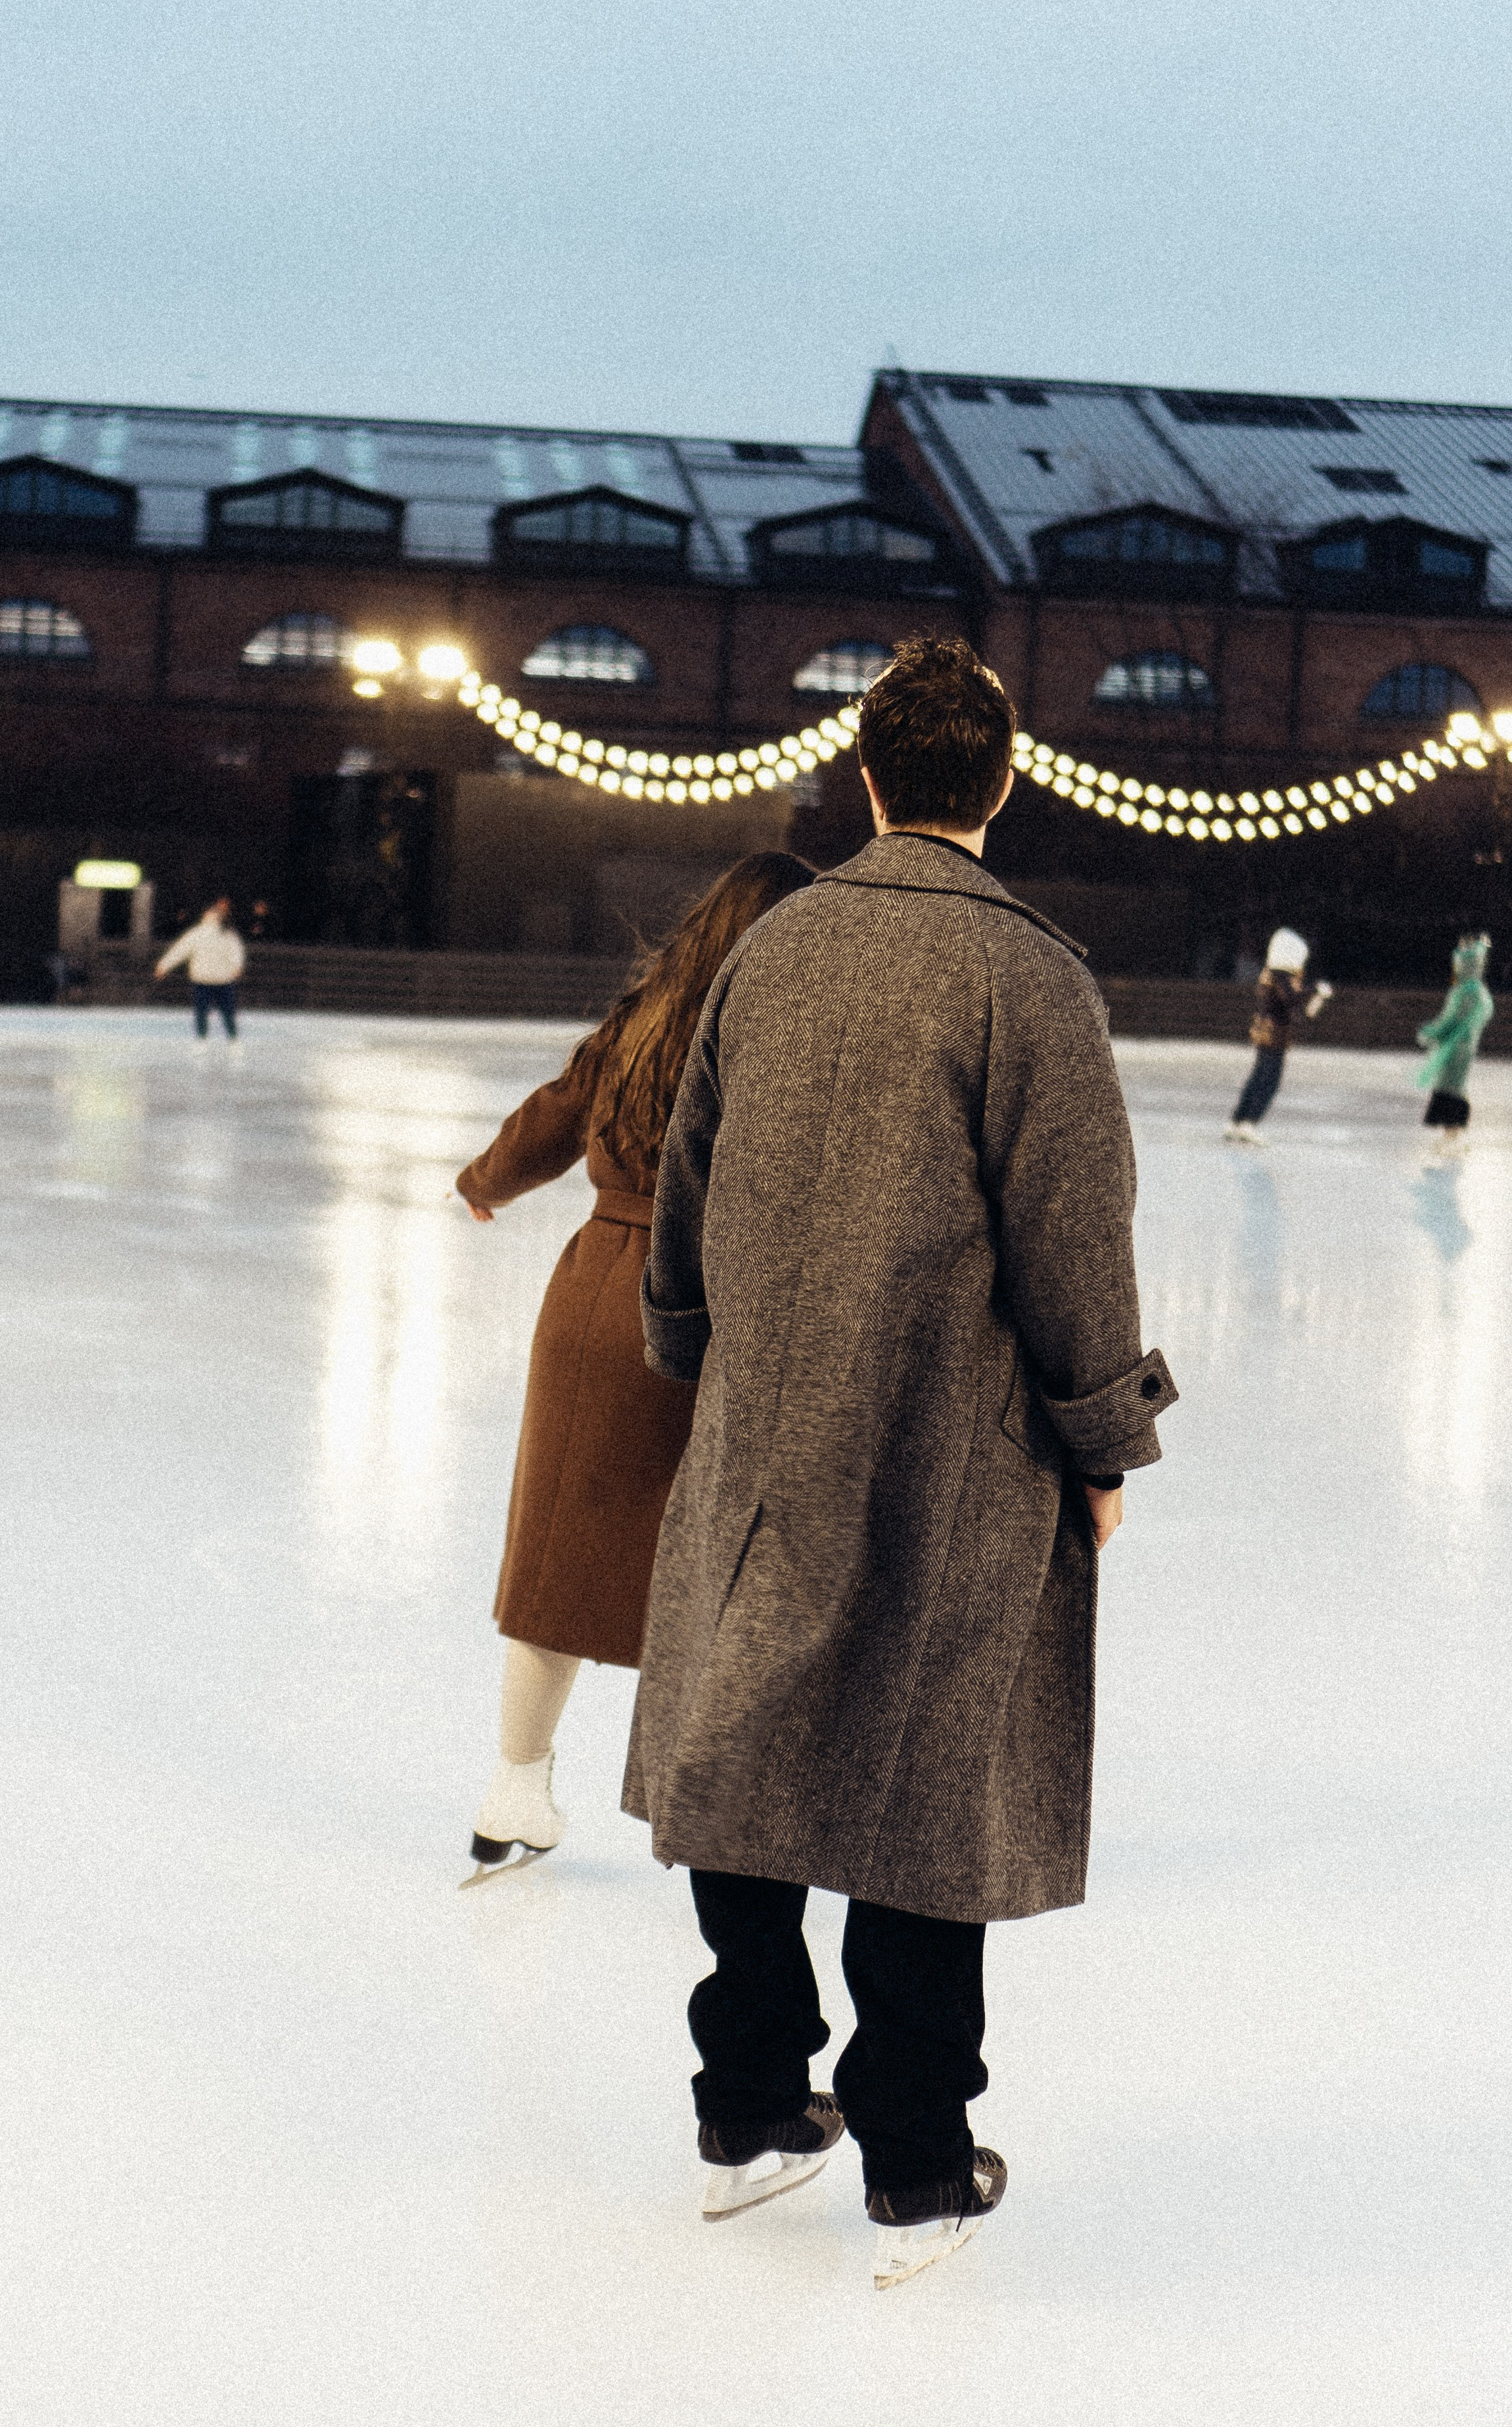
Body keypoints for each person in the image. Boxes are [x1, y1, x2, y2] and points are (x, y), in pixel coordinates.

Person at [624, 635, 1177, 2290]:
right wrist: (1100, 1437)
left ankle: (743, 2105)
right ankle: (916, 2160)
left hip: (768, 1417)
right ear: (998, 784)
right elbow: (1076, 1239)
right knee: (927, 1782)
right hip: (954, 1434)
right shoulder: (1031, 974)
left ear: (866, 778)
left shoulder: (774, 949)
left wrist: (691, 1358)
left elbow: (687, 1187)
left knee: (745, 1738)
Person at [455, 853, 816, 1874]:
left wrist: (485, 1180)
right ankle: (729, 1816)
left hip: (599, 1293)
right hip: (719, 1301)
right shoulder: (784, 1026)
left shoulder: (645, 1015)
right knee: (733, 1564)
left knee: (560, 1553)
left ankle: (513, 1788)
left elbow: (557, 1110)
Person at [1223, 927, 1333, 1142]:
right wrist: (1314, 990)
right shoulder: (1281, 976)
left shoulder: (1272, 973)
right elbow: (1291, 998)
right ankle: (1249, 1122)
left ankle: (1237, 1120)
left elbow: (1293, 1005)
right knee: (1269, 1079)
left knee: (1259, 1076)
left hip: (1270, 1030)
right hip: (1274, 1032)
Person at [1416, 932, 1494, 1153]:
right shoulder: (1477, 990)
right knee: (1455, 1089)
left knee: (1451, 1091)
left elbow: (1451, 1020)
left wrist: (1432, 1033)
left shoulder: (1466, 990)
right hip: (1463, 1046)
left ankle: (1453, 1137)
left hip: (1455, 1047)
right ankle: (1454, 1136)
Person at [154, 897, 246, 1036]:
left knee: (202, 1012)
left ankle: (203, 1038)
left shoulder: (199, 934)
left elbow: (179, 950)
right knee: (227, 1012)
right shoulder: (227, 934)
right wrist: (237, 967)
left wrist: (164, 966)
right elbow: (236, 952)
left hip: (204, 979)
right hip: (221, 979)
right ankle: (232, 1038)